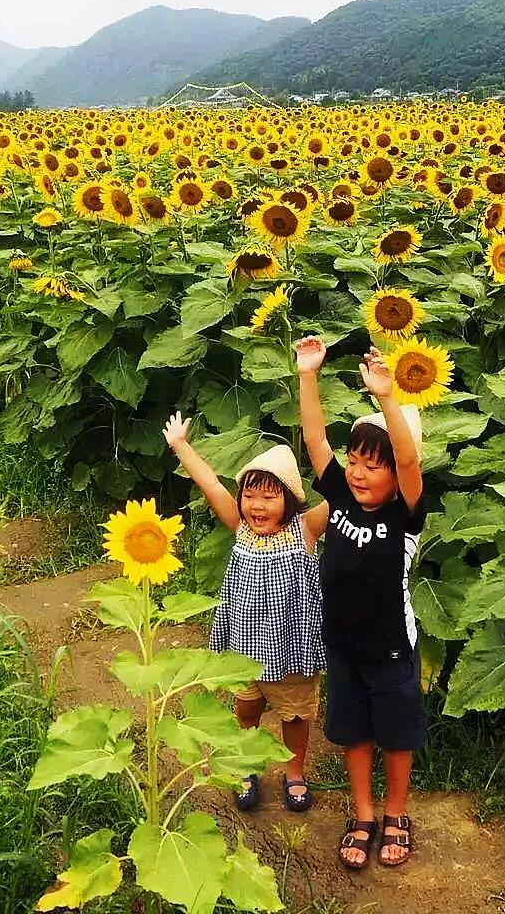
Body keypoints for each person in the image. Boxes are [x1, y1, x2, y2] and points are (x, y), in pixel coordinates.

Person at [295, 335, 428, 870]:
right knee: (352, 733)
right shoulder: (343, 497)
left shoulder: (406, 514)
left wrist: (388, 400)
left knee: (395, 737)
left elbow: (411, 458)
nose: (357, 471)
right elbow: (313, 440)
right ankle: (364, 813)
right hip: (344, 646)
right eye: (354, 460)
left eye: (373, 465)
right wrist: (309, 374)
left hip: (392, 649)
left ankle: (397, 812)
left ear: (396, 477)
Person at [163, 414, 328, 812]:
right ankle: (244, 765)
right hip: (246, 649)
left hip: (293, 649)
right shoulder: (239, 525)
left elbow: (341, 495)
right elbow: (210, 484)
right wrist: (181, 446)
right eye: (250, 495)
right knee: (247, 708)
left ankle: (294, 772)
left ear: (290, 500)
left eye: (270, 496)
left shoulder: (305, 528)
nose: (257, 505)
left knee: (294, 715)